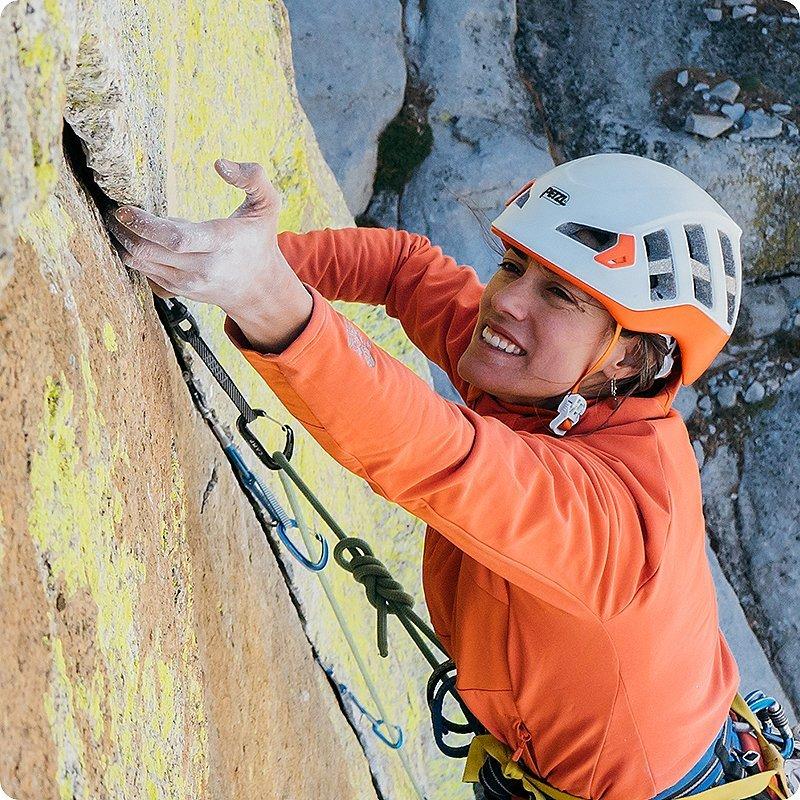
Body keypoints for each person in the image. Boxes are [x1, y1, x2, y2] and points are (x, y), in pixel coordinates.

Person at [105, 152, 765, 800]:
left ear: (630, 358)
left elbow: (437, 454)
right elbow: (403, 271)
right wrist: (249, 262)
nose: (506, 301)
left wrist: (268, 298)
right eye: (512, 265)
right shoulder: (541, 379)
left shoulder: (617, 525)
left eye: (560, 294)